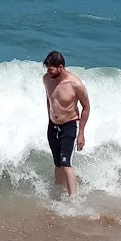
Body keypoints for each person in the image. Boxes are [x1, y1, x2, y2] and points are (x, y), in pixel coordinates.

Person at [42, 50, 90, 197]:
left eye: (51, 69)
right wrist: (50, 118)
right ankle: (58, 193)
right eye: (47, 68)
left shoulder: (75, 84)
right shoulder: (46, 79)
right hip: (53, 126)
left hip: (69, 126)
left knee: (66, 163)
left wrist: (81, 133)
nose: (48, 72)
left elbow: (86, 107)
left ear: (61, 67)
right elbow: (49, 99)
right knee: (57, 163)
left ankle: (73, 200)